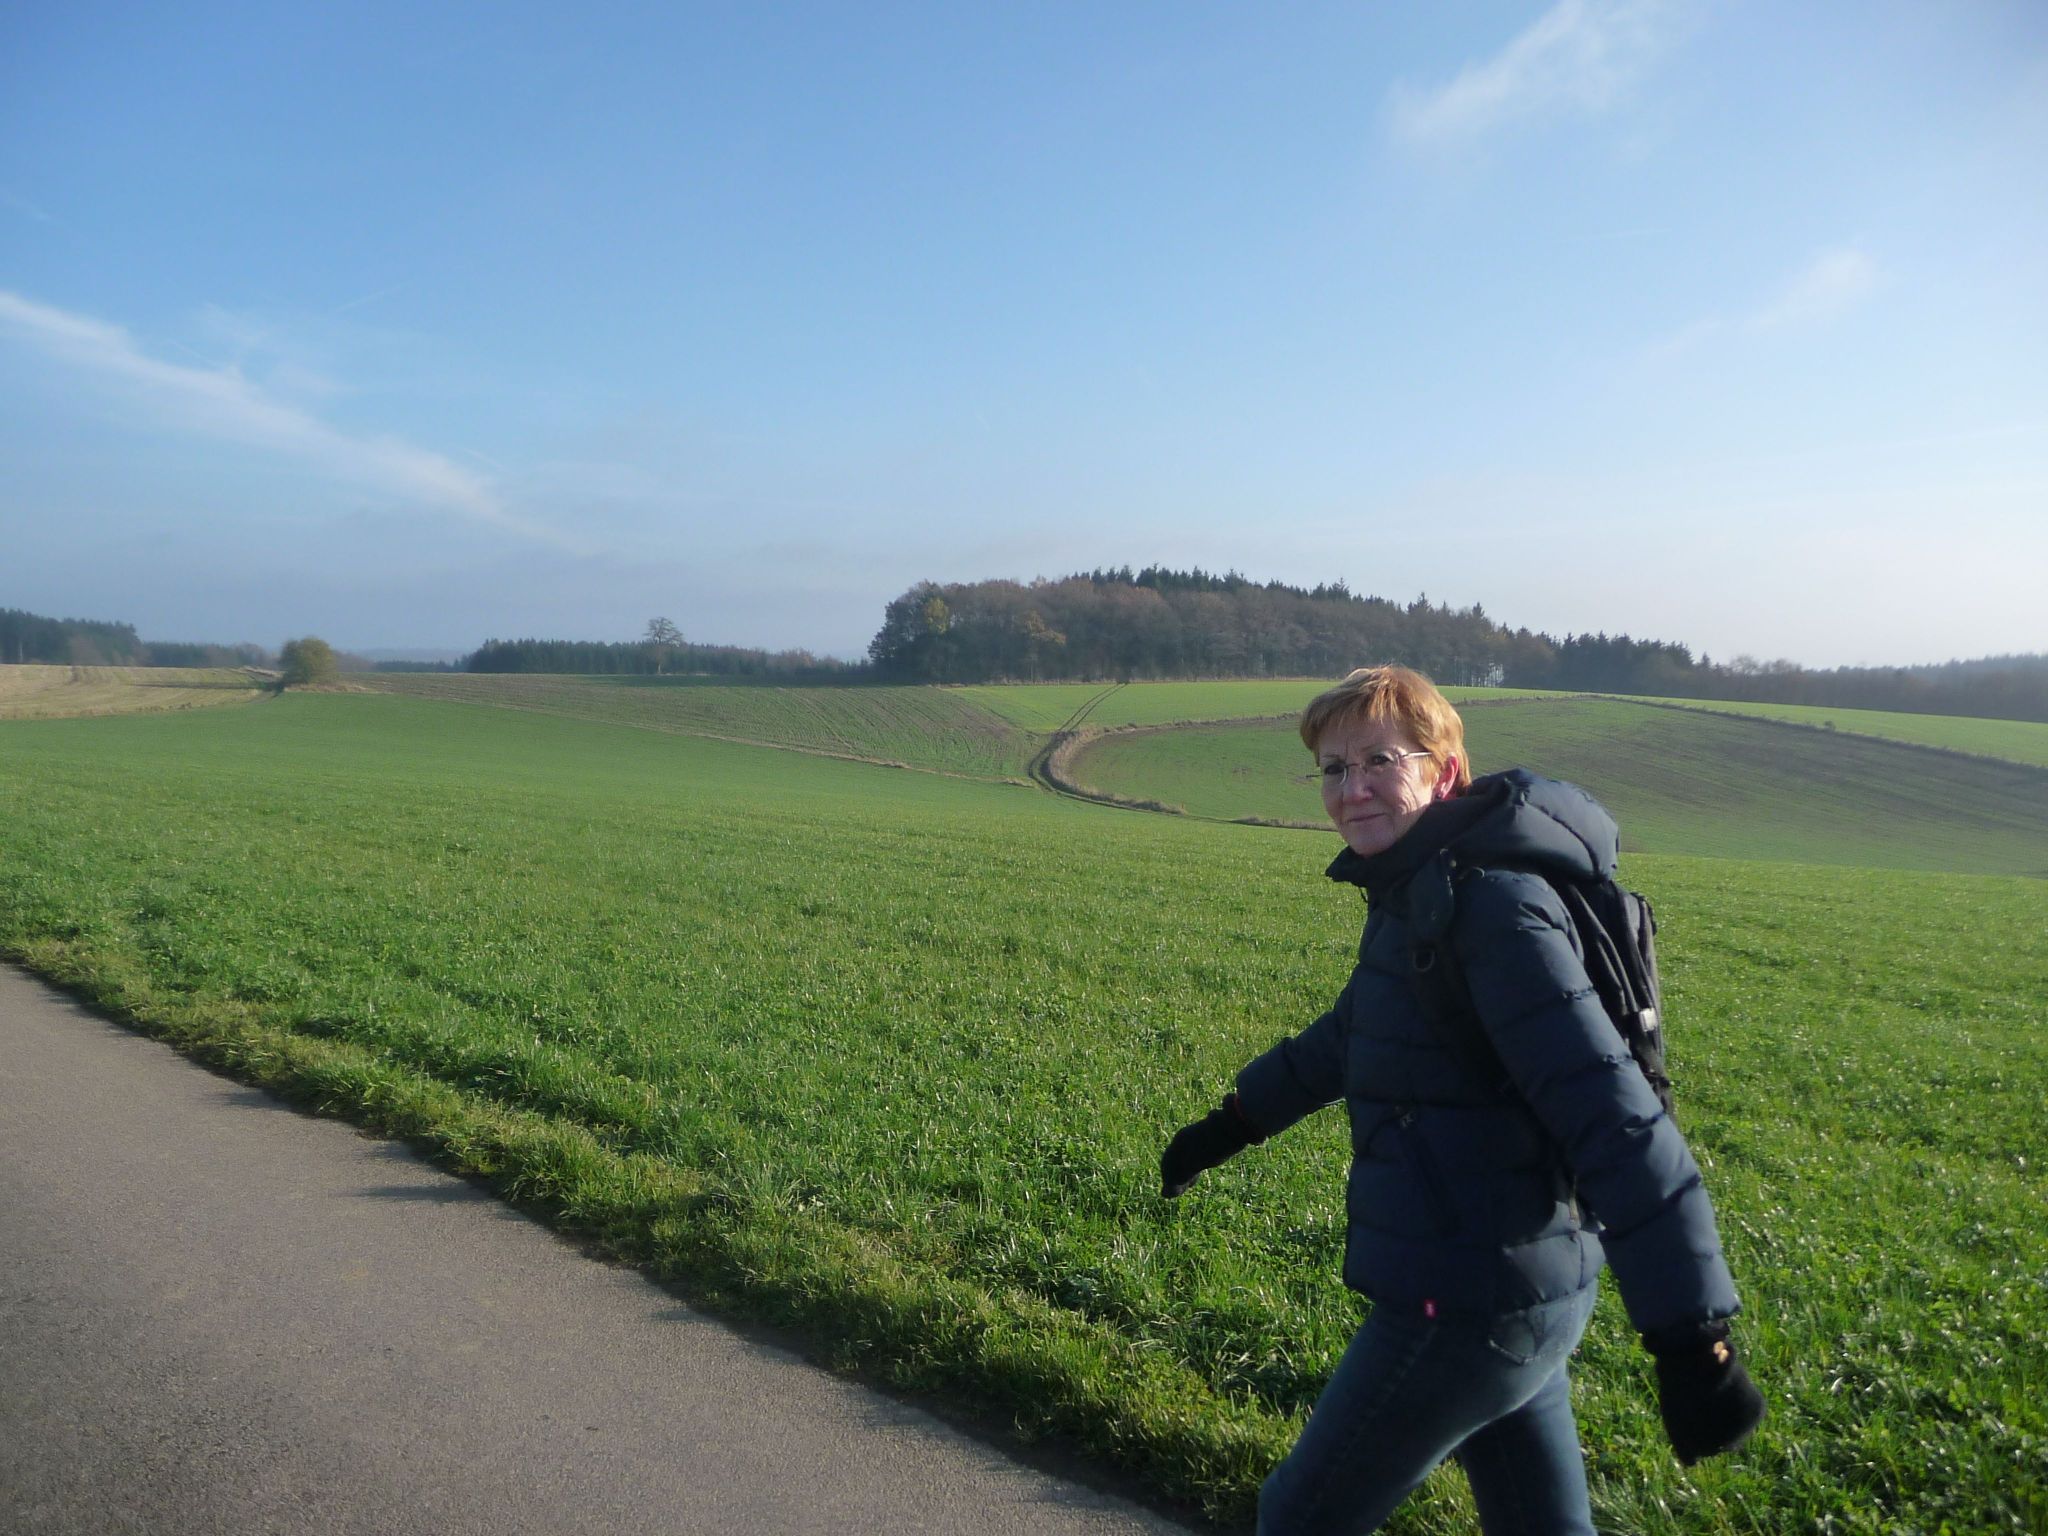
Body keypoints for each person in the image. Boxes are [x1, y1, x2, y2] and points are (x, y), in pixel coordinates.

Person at [1160, 665, 1762, 1535]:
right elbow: (1352, 1036)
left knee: (1299, 1517)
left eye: (1379, 760)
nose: (1352, 789)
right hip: (1520, 1290)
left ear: (1443, 772)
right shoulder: (1427, 890)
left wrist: (1694, 1338)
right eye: (1333, 768)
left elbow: (1612, 1115)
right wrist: (1229, 1126)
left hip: (1466, 1302)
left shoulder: (1489, 909)